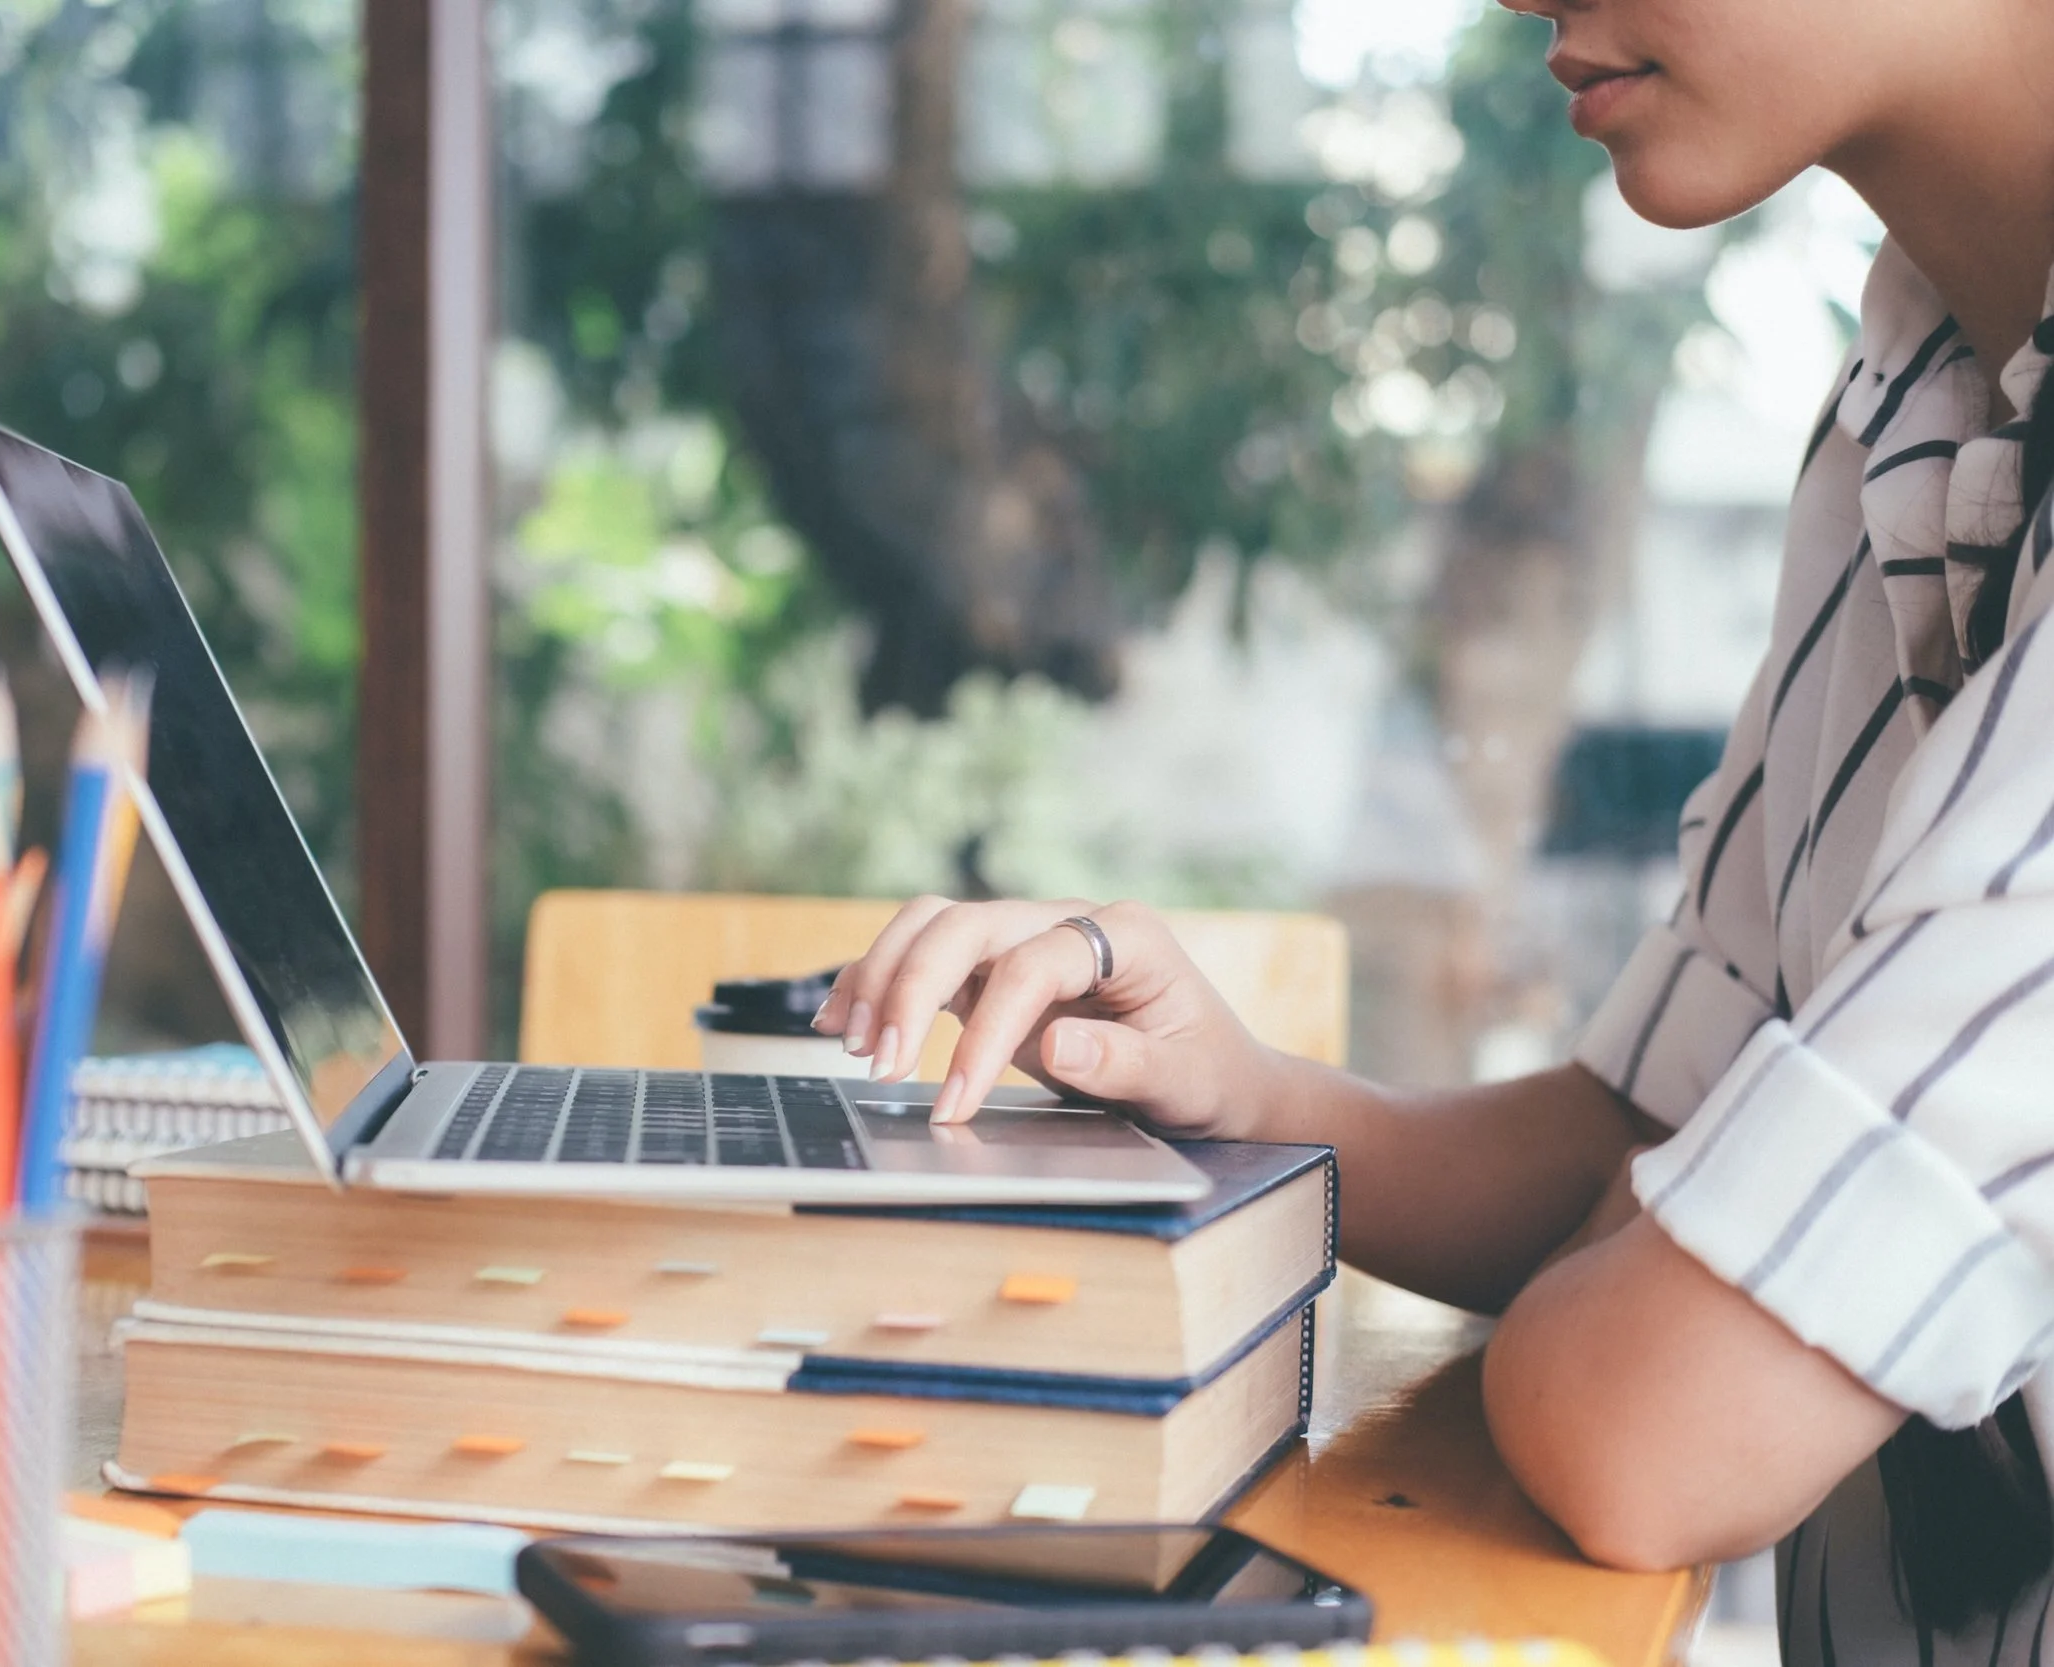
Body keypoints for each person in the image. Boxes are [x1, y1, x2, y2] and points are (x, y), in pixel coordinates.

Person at [817, 0, 2054, 1656]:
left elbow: (1657, 1428)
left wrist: (1661, 1262)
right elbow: (1655, 1128)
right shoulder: (1918, 397)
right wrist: (1252, 1100)